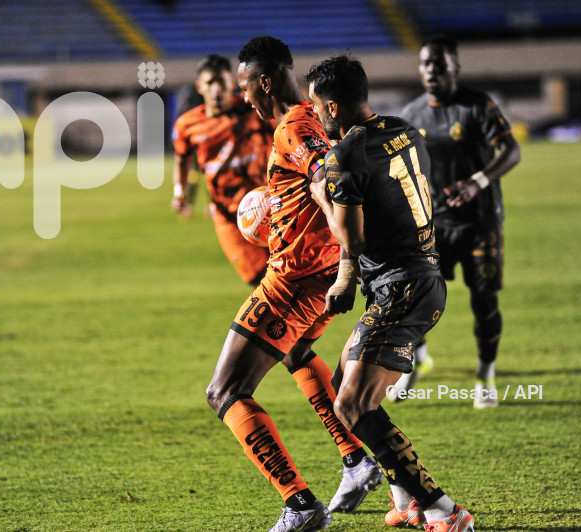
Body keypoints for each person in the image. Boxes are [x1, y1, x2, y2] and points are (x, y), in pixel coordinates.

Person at [205, 37, 383, 532]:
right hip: (321, 275)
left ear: (264, 82)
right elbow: (322, 179)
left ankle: (299, 503)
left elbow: (327, 177)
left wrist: (346, 249)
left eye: (246, 87)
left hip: (295, 280)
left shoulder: (292, 127)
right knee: (296, 351)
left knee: (224, 392)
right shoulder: (311, 118)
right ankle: (355, 460)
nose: (244, 98)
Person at [306, 55, 474, 532]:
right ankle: (404, 501)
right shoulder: (406, 130)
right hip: (423, 278)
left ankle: (445, 512)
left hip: (399, 289)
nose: (317, 117)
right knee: (348, 390)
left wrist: (322, 193)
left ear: (333, 107)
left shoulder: (343, 157)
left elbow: (352, 240)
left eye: (318, 108)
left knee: (350, 405)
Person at [391, 34, 521, 408]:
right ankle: (415, 364)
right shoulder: (413, 115)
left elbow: (512, 150)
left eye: (439, 62)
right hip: (433, 226)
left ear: (455, 67)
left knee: (484, 302)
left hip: (480, 222)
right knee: (414, 299)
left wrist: (478, 182)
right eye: (426, 63)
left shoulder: (477, 106)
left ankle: (485, 376)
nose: (431, 69)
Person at [171, 54, 271, 286]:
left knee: (290, 278)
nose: (216, 89)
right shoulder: (188, 125)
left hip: (270, 206)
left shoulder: (255, 109)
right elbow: (182, 159)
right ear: (199, 87)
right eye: (209, 83)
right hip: (228, 215)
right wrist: (180, 191)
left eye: (222, 82)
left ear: (232, 83)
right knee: (260, 281)